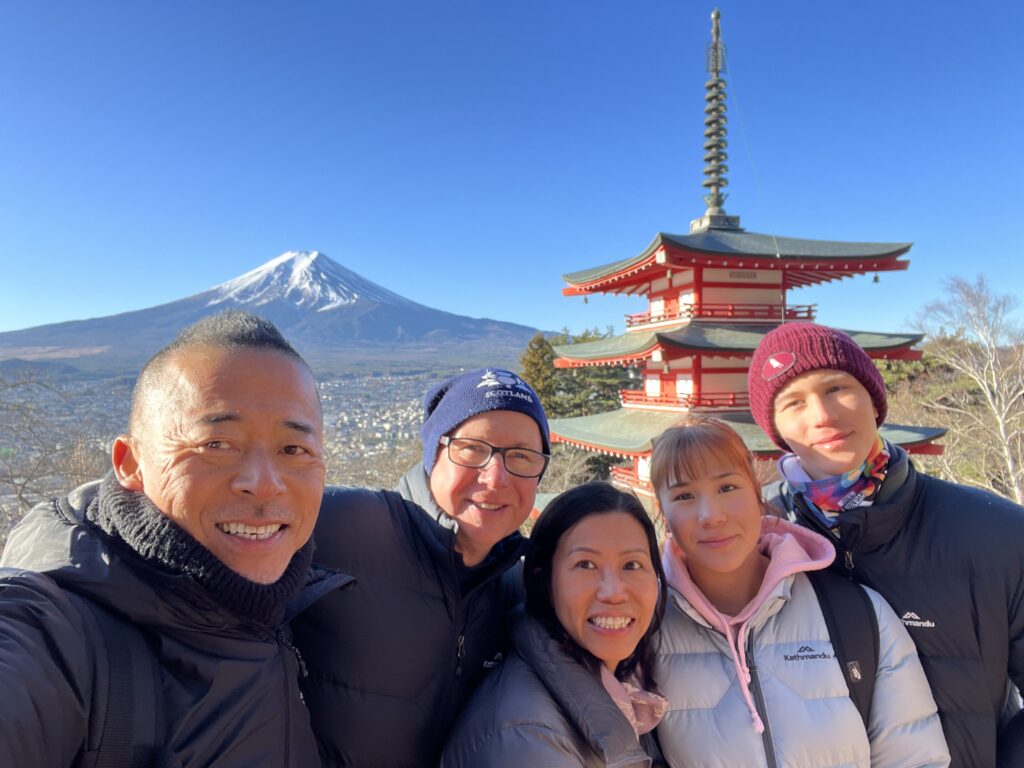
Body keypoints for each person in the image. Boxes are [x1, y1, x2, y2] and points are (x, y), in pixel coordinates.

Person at [0, 310, 345, 766]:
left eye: (293, 449)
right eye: (216, 445)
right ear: (130, 463)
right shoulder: (56, 629)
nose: (264, 484)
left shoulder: (324, 592)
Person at [748, 321, 1024, 767]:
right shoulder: (759, 544)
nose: (822, 415)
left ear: (874, 399)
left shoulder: (998, 534)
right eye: (793, 403)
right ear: (776, 430)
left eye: (837, 387)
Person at [650, 416, 949, 767]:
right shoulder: (645, 634)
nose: (711, 515)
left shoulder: (854, 614)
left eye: (727, 487)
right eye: (684, 495)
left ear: (756, 490)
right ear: (662, 513)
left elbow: (915, 759)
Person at [291, 367, 550, 767]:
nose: (496, 477)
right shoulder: (337, 526)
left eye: (521, 456)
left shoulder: (518, 590)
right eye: (472, 448)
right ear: (434, 452)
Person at [442, 481, 668, 767]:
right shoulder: (528, 738)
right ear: (544, 580)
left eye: (632, 565)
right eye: (585, 564)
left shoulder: (632, 686)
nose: (614, 592)